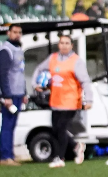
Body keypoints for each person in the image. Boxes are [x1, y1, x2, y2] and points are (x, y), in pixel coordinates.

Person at [32, 35, 94, 168]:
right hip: (56, 100)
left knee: (61, 127)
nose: (64, 45)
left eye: (67, 43)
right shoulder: (52, 58)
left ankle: (59, 158)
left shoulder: (76, 61)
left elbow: (85, 81)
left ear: (72, 46)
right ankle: (76, 146)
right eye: (62, 43)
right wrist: (35, 84)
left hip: (71, 101)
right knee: (55, 130)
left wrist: (89, 99)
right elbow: (39, 69)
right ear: (58, 45)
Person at [0, 24, 26, 166]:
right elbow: (3, 74)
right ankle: (5, 156)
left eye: (19, 32)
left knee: (12, 125)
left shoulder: (18, 49)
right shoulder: (6, 50)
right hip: (10, 94)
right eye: (14, 32)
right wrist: (6, 95)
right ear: (8, 33)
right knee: (7, 125)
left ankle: (9, 153)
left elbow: (19, 73)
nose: (17, 34)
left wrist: (24, 92)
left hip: (18, 92)